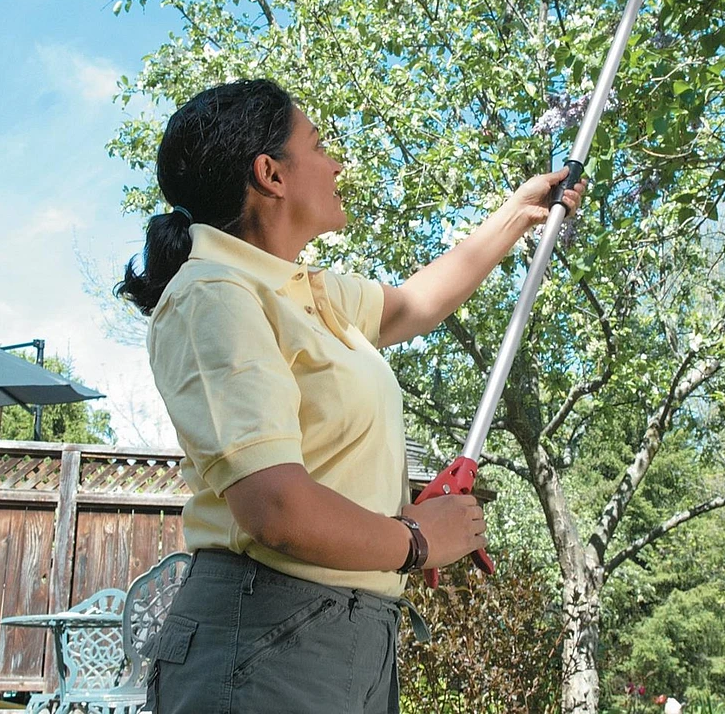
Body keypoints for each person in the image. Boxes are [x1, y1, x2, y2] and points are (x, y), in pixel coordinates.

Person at [117, 78, 585, 713]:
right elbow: (274, 506)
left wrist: (518, 213)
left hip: (350, 632)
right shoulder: (215, 294)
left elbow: (417, 305)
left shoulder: (304, 292)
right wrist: (416, 539)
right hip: (265, 638)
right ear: (270, 174)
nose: (337, 162)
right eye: (317, 145)